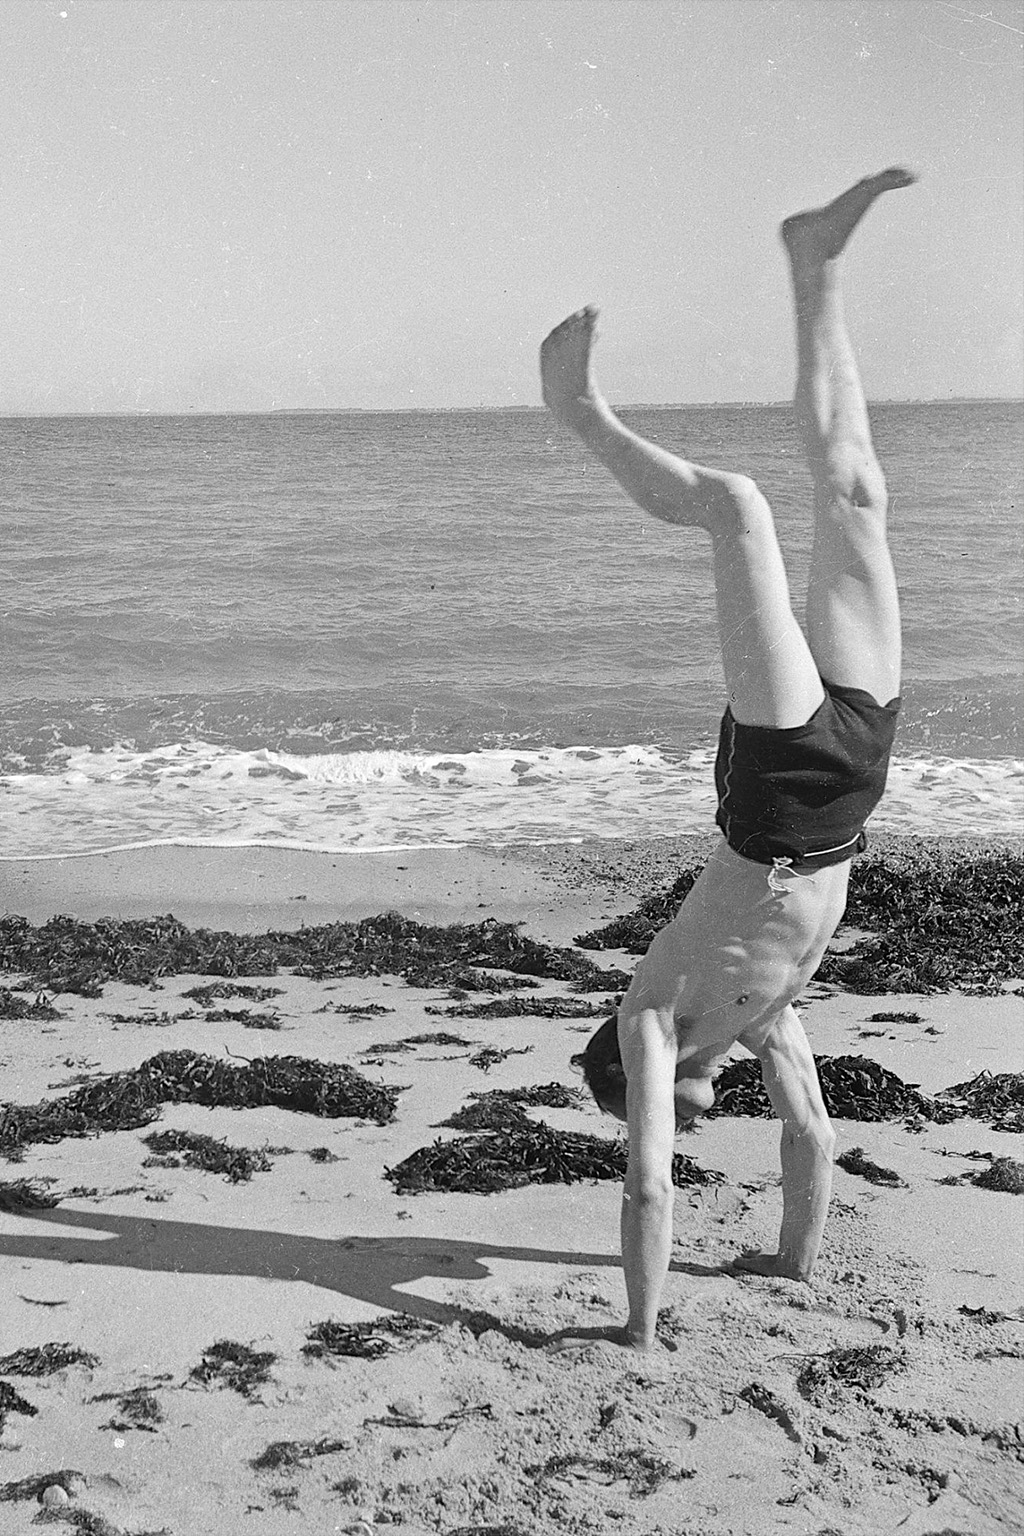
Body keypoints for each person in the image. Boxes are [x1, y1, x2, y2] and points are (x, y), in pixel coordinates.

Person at [539, 168, 914, 1353]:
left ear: (633, 1078)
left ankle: (578, 414)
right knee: (855, 491)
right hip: (854, 778)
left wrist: (641, 1332)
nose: (692, 1116)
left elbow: (645, 1186)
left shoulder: (653, 1019)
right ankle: (814, 261)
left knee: (739, 508)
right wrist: (792, 1264)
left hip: (781, 792)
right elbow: (810, 1133)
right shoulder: (761, 1018)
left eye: (668, 1107)